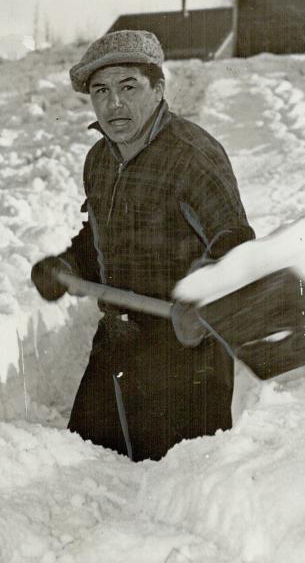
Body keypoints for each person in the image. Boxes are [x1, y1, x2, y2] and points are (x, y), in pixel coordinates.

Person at [31, 29, 254, 462]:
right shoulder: (98, 160)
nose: (114, 104)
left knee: (166, 496)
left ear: (158, 89)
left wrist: (202, 294)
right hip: (117, 338)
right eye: (101, 91)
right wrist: (67, 265)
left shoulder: (193, 155)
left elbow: (236, 245)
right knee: (83, 473)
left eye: (128, 87)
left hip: (184, 354)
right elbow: (98, 241)